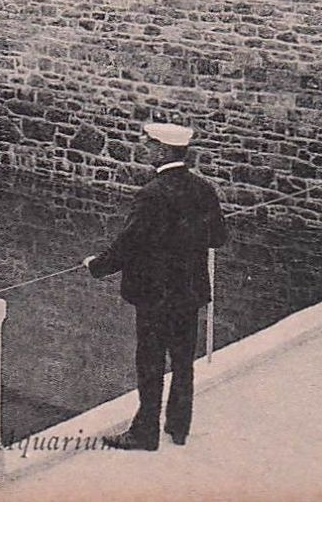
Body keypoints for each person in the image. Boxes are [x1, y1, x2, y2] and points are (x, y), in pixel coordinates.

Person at [84, 121, 227, 450]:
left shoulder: (151, 194)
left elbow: (129, 244)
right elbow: (218, 237)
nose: (144, 149)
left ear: (163, 150)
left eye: (149, 144)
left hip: (154, 295)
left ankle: (145, 432)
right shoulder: (202, 189)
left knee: (150, 364)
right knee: (182, 361)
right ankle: (178, 428)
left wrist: (96, 266)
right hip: (188, 293)